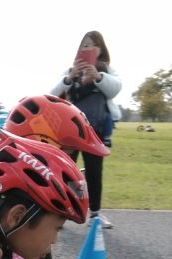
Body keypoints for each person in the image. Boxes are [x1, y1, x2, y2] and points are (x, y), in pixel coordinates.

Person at [51, 31, 121, 228]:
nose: (87, 49)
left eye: (91, 45)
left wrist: (98, 76)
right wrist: (71, 76)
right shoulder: (69, 70)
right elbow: (53, 94)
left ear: (101, 49)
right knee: (67, 171)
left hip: (95, 130)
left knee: (94, 171)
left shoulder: (107, 71)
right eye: (84, 45)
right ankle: (62, 212)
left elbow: (115, 88)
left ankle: (95, 214)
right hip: (69, 129)